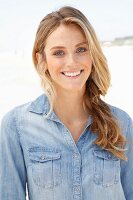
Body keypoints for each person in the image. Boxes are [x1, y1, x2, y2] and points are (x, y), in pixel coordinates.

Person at [0, 6, 133, 200]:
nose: (71, 62)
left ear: (92, 54)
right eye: (58, 53)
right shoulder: (16, 126)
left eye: (81, 49)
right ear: (41, 60)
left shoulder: (122, 123)